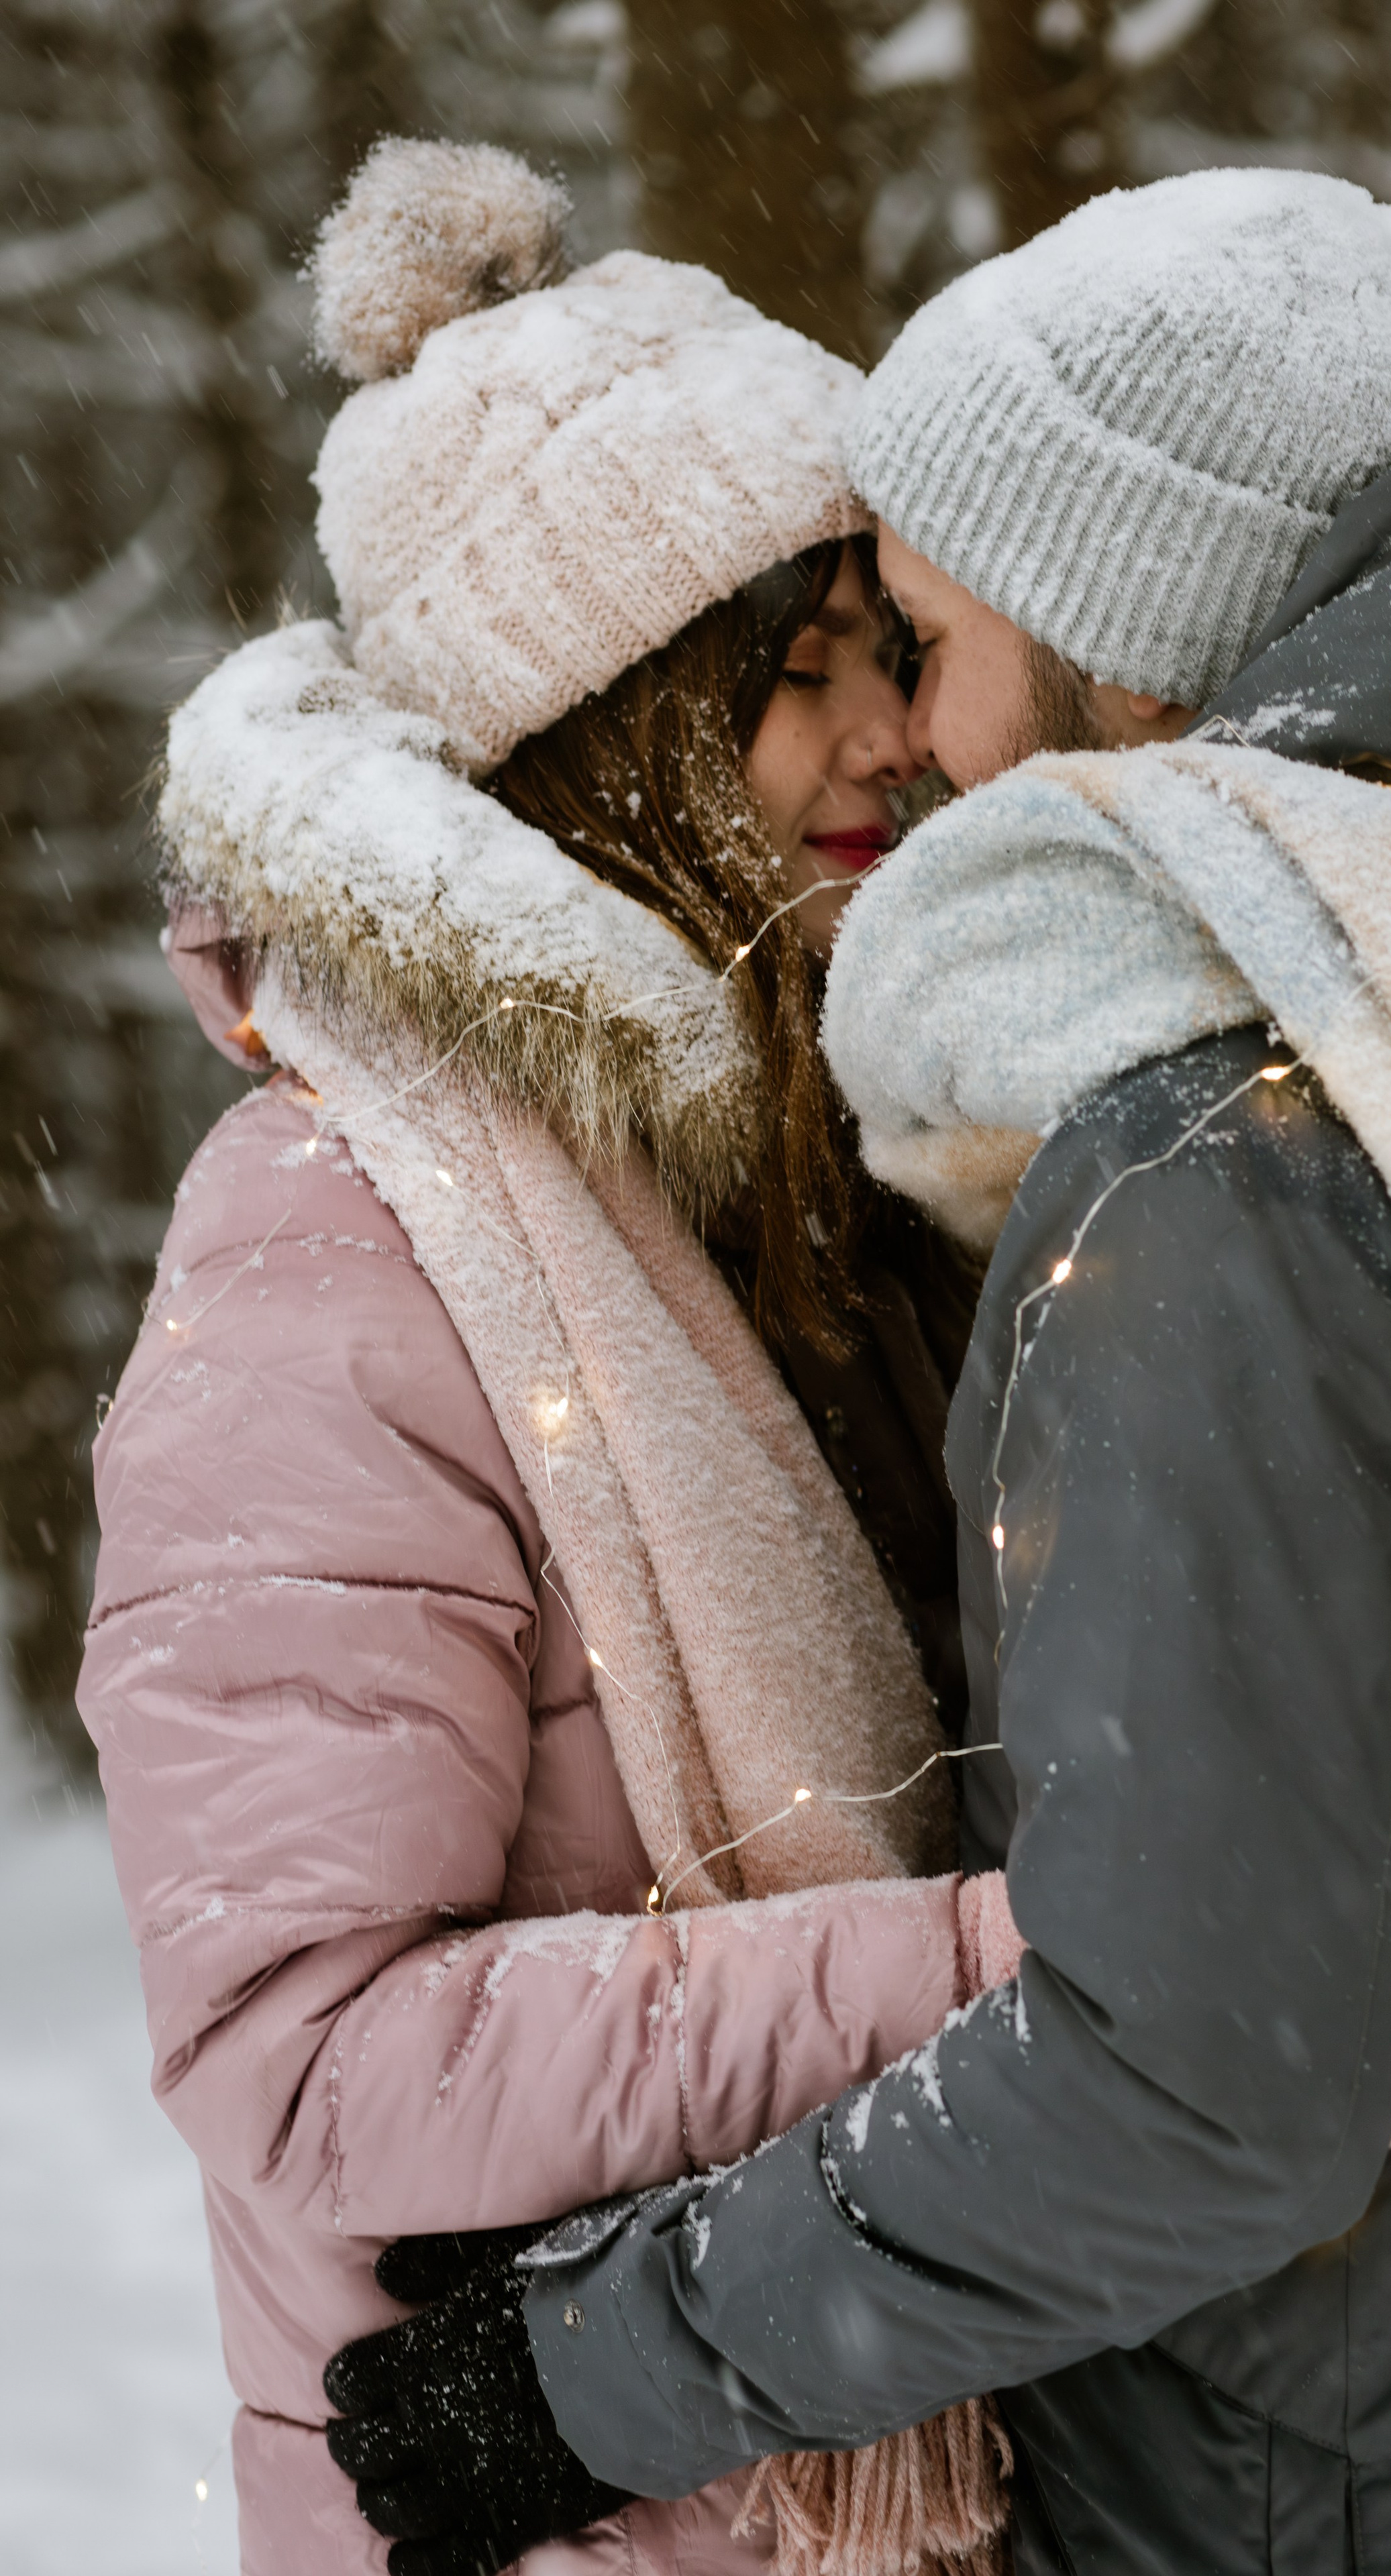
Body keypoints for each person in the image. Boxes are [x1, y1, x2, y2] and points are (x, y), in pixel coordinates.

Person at [330, 174, 1391, 2575]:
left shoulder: (1230, 1174)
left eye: (942, 635)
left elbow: (1211, 2080)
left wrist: (601, 2359)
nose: (922, 736)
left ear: (1127, 633)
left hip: (1340, 2497)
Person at [76, 136, 1033, 2576]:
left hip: (839, 2438)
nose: (880, 746)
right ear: (591, 746)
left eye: (881, 656)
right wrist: (996, 1977)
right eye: (780, 684)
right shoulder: (345, 1240)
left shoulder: (823, 1178)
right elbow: (307, 2071)